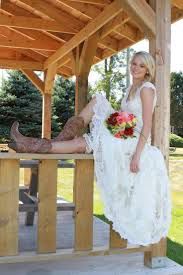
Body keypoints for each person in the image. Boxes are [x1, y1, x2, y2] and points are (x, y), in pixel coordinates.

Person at [9, 51, 171, 246]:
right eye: (134, 63)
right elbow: (126, 117)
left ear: (148, 70)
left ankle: (30, 143)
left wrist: (137, 156)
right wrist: (115, 122)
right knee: (88, 126)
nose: (135, 68)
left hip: (132, 143)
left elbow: (146, 125)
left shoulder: (147, 89)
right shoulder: (131, 88)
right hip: (121, 135)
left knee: (87, 136)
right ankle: (27, 143)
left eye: (140, 65)